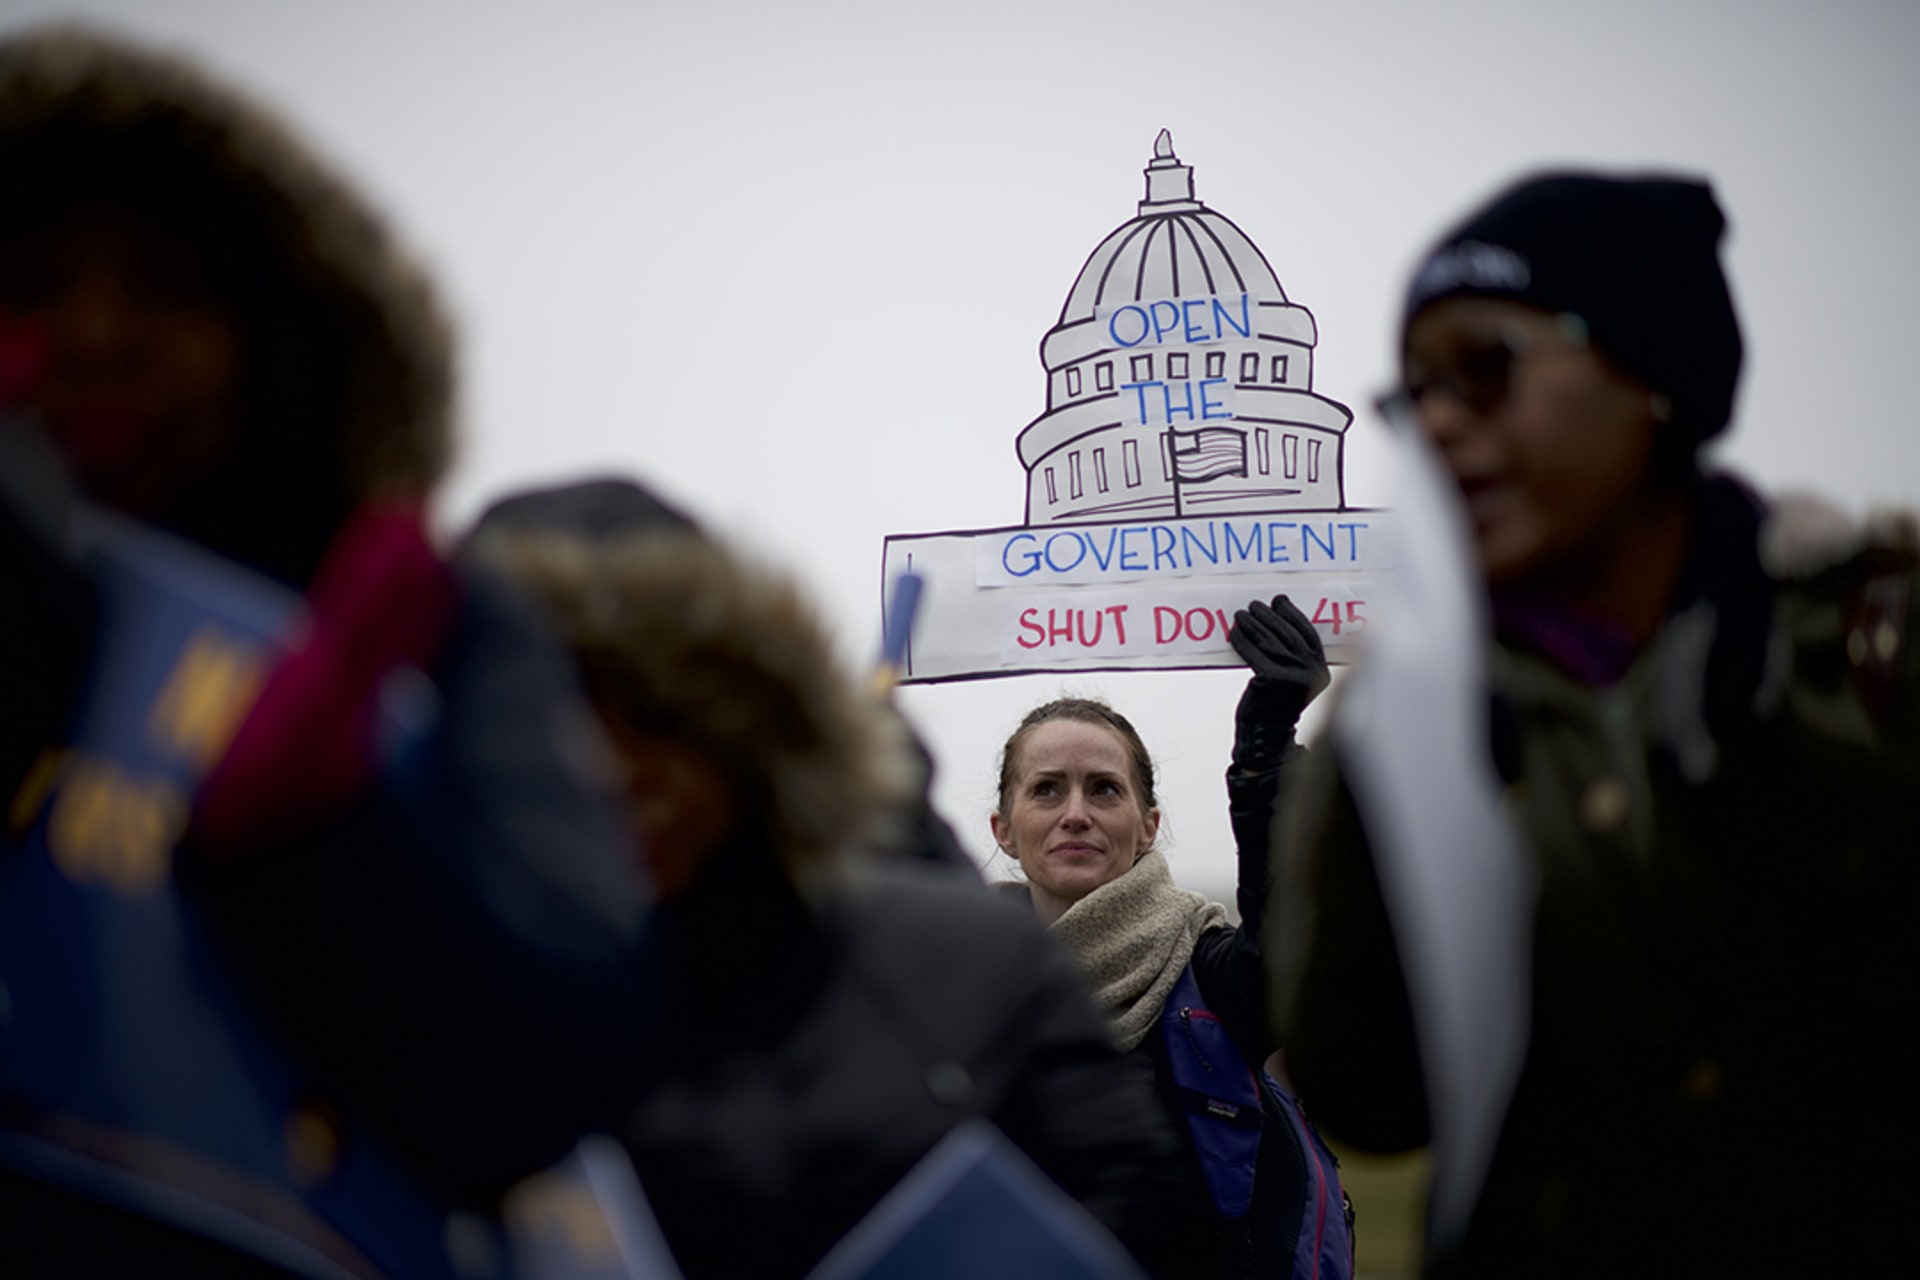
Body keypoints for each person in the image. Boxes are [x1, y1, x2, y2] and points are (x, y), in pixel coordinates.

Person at [0, 26, 653, 1275]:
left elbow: (549, 1066)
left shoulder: (416, 622)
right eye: (29, 285)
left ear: (275, 337)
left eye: (164, 287)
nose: (93, 335)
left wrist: (314, 845)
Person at [1269, 171, 1920, 1277]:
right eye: (1415, 393)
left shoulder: (1860, 652)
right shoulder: (1411, 724)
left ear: (1651, 369)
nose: (1439, 421)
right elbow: (1369, 1098)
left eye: (1486, 367)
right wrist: (1371, 765)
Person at [470, 477, 1185, 1280]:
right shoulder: (438, 1010)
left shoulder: (979, 968)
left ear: (741, 722)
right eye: (534, 722)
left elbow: (1134, 1229)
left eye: (650, 713)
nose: (603, 767)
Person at [991, 594, 1338, 1279]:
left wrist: (1267, 744)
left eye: (1104, 789)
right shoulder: (959, 987)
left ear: (1148, 826)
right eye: (1047, 789)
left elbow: (1286, 948)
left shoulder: (1208, 973)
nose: (1076, 814)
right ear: (1004, 828)